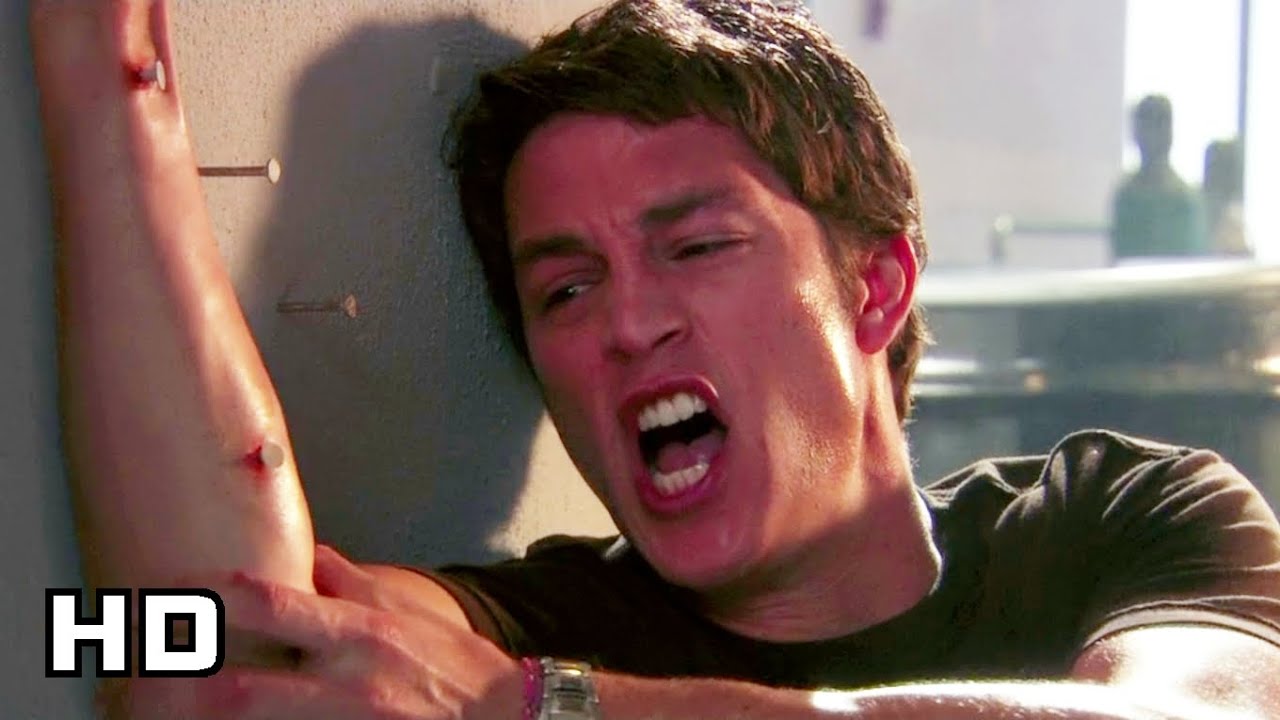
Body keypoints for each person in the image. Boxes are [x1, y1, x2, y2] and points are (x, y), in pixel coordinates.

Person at [31, 1, 1280, 718]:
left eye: (693, 246)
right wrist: (104, 80)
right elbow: (170, 641)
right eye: (566, 287)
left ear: (875, 288)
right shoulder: (540, 623)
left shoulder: (1125, 515)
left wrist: (540, 707)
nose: (629, 323)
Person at [1109, 94, 1209, 261]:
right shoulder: (1126, 198)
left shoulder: (1185, 201)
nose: (1152, 136)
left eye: (1159, 125)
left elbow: (1192, 263)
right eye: (1147, 126)